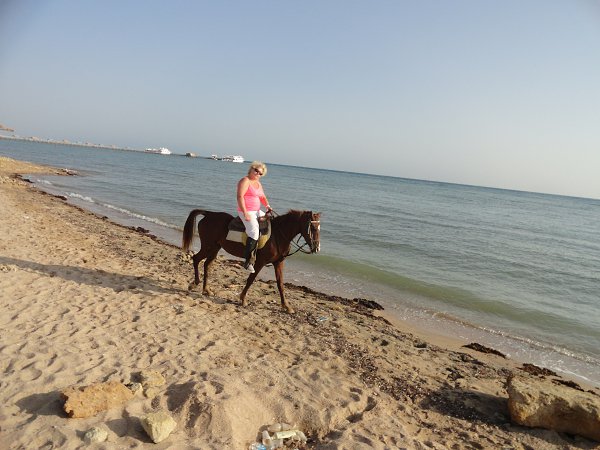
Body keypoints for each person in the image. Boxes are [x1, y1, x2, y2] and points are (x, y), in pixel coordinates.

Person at [237, 161, 271, 273]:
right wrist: (245, 212)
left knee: (271, 222)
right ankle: (248, 262)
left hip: (257, 211)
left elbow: (262, 197)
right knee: (254, 232)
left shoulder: (258, 183)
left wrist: (267, 206)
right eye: (256, 171)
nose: (258, 174)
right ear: (251, 169)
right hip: (247, 211)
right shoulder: (245, 180)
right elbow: (240, 196)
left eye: (260, 173)